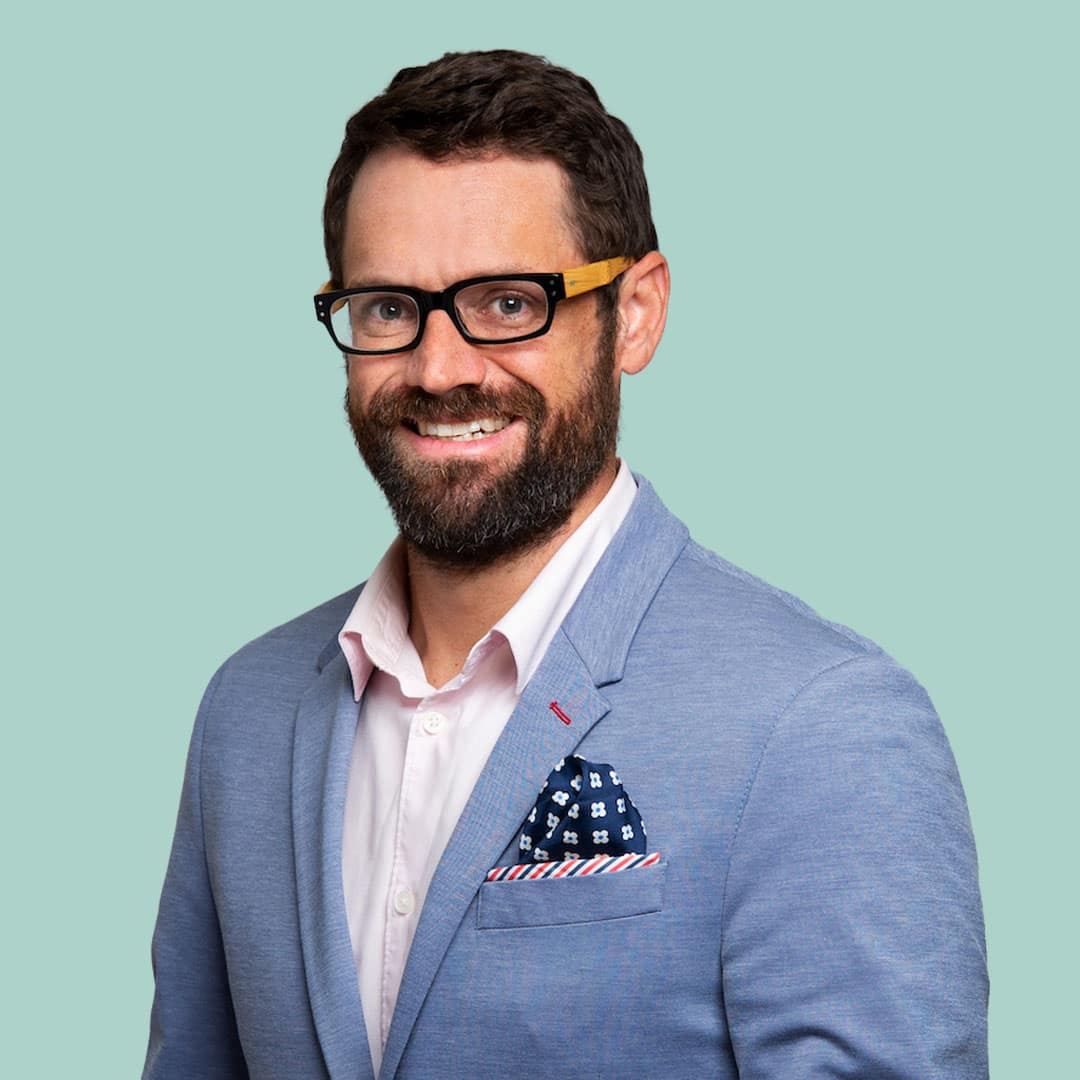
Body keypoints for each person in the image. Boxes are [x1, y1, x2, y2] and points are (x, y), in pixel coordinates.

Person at [144, 49, 988, 1079]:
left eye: (507, 302)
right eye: (387, 308)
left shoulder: (822, 724)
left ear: (633, 313)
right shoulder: (247, 710)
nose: (440, 368)